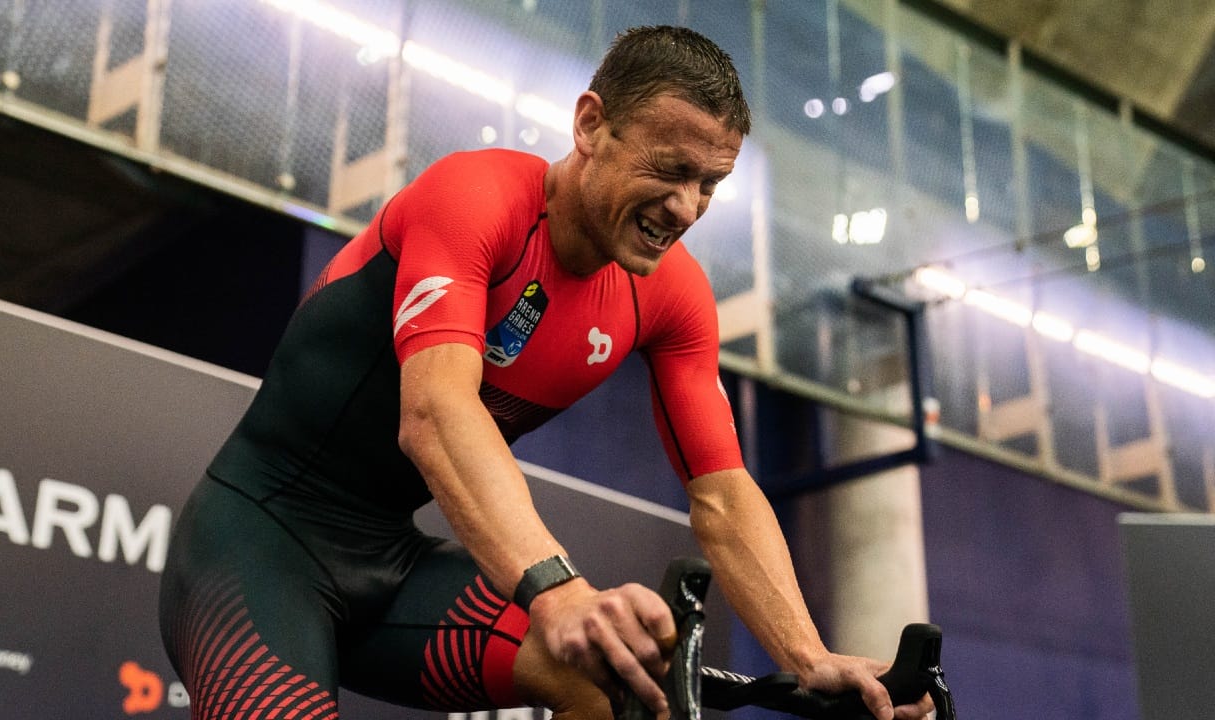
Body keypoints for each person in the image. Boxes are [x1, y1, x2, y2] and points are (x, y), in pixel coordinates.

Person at [159, 24, 933, 720]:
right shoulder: (477, 198)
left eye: (710, 184)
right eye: (672, 169)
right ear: (591, 125)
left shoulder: (673, 294)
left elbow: (724, 493)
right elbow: (433, 413)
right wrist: (557, 591)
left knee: (618, 681)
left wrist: (809, 658)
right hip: (254, 544)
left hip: (389, 563)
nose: (689, 207)